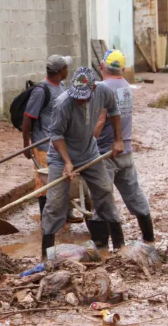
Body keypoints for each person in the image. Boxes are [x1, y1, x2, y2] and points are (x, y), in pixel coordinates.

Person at [41, 67, 125, 259]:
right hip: (60, 157)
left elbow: (114, 110)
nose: (79, 100)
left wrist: (118, 139)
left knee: (105, 191)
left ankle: (118, 245)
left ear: (93, 89)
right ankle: (46, 255)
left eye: (83, 96)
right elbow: (56, 134)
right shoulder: (62, 103)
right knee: (55, 203)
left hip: (89, 152)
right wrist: (67, 162)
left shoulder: (103, 90)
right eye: (76, 96)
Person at [87, 50, 154, 248]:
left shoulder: (101, 88)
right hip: (125, 150)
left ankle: (107, 245)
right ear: (123, 69)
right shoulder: (126, 87)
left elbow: (99, 120)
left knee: (102, 200)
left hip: (105, 154)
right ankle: (149, 238)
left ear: (101, 66)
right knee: (134, 194)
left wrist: (86, 143)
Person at [21, 55, 81, 222]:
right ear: (60, 71)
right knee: (45, 183)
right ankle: (46, 218)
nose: (68, 70)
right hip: (44, 144)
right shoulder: (41, 91)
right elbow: (27, 118)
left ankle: (66, 214)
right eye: (66, 68)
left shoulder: (61, 86)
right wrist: (26, 145)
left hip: (60, 143)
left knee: (64, 178)